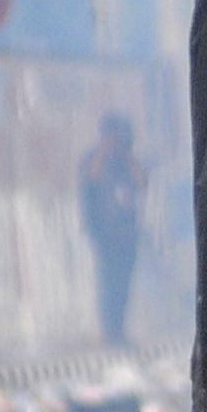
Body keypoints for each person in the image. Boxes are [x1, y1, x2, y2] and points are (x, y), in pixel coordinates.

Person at [79, 112, 146, 346]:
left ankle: (120, 329)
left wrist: (127, 156)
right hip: (104, 235)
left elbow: (142, 183)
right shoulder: (93, 160)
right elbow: (90, 180)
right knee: (108, 282)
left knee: (124, 283)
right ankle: (108, 331)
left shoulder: (128, 161)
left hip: (127, 234)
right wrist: (104, 153)